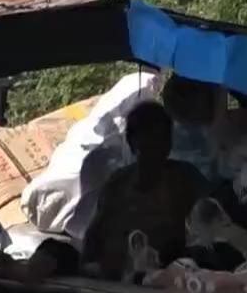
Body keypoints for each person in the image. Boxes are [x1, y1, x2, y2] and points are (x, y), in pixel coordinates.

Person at [83, 101, 210, 280]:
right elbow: (94, 236)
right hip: (114, 277)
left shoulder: (184, 178)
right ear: (132, 141)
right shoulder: (118, 183)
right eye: (149, 137)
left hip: (166, 276)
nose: (157, 145)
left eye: (163, 137)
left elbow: (211, 219)